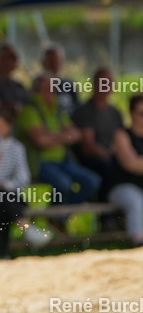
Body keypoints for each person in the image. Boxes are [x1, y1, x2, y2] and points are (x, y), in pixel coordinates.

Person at [0, 112, 50, 258]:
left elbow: (23, 177)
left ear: (8, 127)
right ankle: (26, 228)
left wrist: (6, 184)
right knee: (2, 198)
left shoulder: (16, 148)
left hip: (7, 195)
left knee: (2, 206)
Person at [17, 75, 101, 205]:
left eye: (53, 89)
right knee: (64, 184)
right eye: (46, 89)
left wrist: (53, 136)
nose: (51, 93)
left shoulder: (58, 111)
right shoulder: (30, 111)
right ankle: (57, 213)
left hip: (62, 161)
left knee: (92, 181)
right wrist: (63, 136)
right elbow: (41, 141)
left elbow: (77, 135)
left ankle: (62, 213)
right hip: (39, 163)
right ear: (36, 91)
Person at [71, 68, 124, 195]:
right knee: (108, 168)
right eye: (103, 81)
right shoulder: (85, 111)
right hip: (90, 160)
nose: (106, 85)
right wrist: (110, 156)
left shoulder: (115, 113)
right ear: (95, 84)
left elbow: (121, 139)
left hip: (111, 156)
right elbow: (88, 147)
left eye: (109, 82)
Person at [109, 94, 143, 247]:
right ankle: (139, 240)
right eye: (142, 113)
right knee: (135, 200)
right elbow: (130, 164)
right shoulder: (122, 135)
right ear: (132, 114)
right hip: (122, 188)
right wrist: (136, 162)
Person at [0, 44, 30, 119]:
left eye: (15, 57)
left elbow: (28, 105)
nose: (15, 60)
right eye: (11, 57)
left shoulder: (18, 87)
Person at [42, 44, 78, 118]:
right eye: (51, 62)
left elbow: (78, 107)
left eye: (57, 61)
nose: (55, 65)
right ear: (44, 63)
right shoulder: (40, 86)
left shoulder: (68, 84)